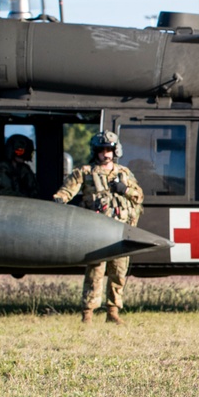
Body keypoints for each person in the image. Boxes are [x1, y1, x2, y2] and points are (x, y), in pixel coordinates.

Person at [54, 131, 144, 324]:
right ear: (96, 152)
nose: (105, 154)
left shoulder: (124, 173)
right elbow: (67, 190)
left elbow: (139, 196)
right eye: (102, 150)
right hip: (97, 232)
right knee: (95, 273)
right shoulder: (84, 173)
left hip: (121, 232)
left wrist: (125, 189)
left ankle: (113, 312)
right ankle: (87, 313)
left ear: (115, 151)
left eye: (109, 150)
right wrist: (59, 200)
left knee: (118, 273)